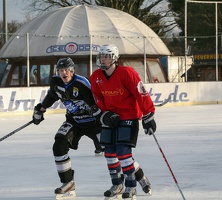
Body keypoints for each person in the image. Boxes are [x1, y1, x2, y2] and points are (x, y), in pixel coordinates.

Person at [90, 44, 157, 199]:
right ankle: (118, 184)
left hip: (129, 116)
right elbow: (97, 97)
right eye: (101, 56)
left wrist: (148, 115)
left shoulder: (127, 73)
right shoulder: (96, 76)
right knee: (109, 153)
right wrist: (104, 114)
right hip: (111, 118)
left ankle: (131, 186)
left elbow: (141, 93)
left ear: (114, 58)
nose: (102, 59)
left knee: (123, 153)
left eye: (106, 56)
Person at [32, 57, 104, 198]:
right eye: (60, 70)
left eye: (66, 70)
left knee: (113, 149)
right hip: (74, 122)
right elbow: (52, 96)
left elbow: (96, 102)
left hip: (93, 123)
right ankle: (68, 183)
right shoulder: (56, 82)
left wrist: (97, 113)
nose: (63, 73)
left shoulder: (81, 83)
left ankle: (135, 177)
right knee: (59, 145)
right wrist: (41, 109)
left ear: (72, 71)